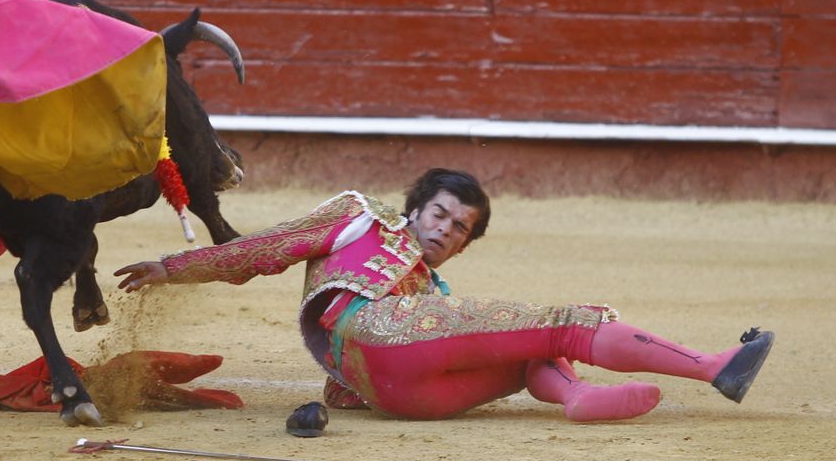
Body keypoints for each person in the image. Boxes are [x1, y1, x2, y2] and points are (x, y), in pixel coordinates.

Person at [116, 168, 776, 423]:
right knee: (566, 322)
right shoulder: (360, 216)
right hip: (376, 329)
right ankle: (713, 367)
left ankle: (577, 398)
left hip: (397, 398)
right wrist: (175, 266)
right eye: (439, 213)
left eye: (460, 228)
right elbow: (265, 249)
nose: (445, 229)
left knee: (525, 355)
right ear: (414, 208)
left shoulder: (434, 288)